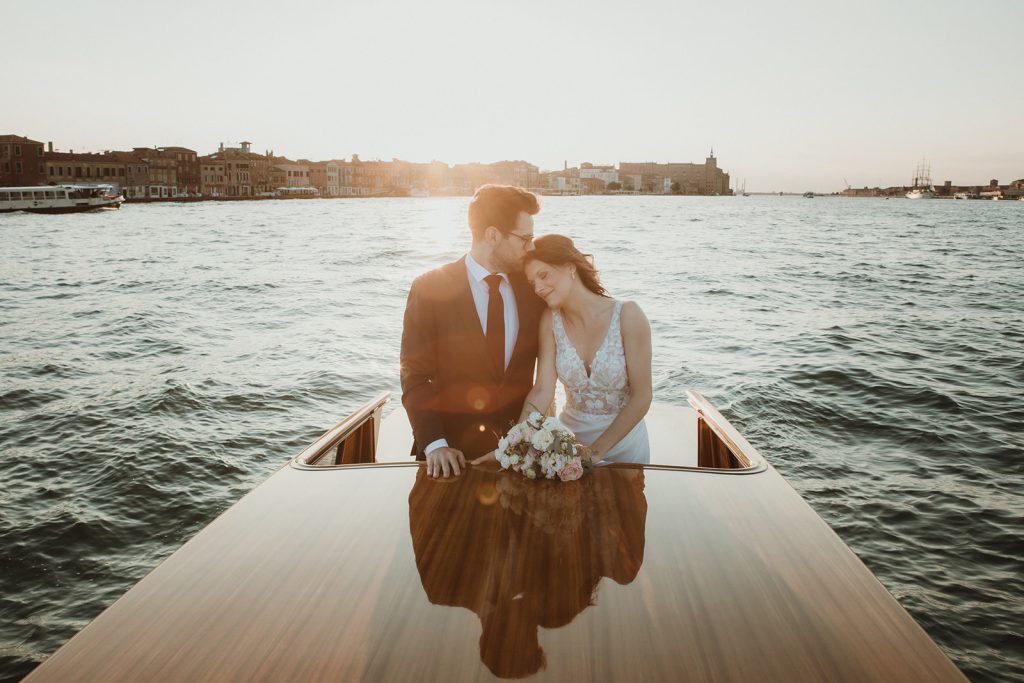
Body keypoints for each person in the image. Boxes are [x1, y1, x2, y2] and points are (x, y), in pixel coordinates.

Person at [400, 184, 545, 478]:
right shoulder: (429, 287)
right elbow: (414, 374)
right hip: (449, 461)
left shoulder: (534, 288)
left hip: (517, 458)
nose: (531, 248)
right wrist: (435, 445)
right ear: (493, 235)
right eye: (525, 239)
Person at [477, 234, 652, 464]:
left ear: (570, 266)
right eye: (532, 283)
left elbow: (642, 396)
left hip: (625, 447)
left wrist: (594, 453)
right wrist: (510, 446)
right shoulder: (550, 320)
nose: (538, 288)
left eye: (543, 275)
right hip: (567, 449)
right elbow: (542, 390)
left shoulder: (628, 315)